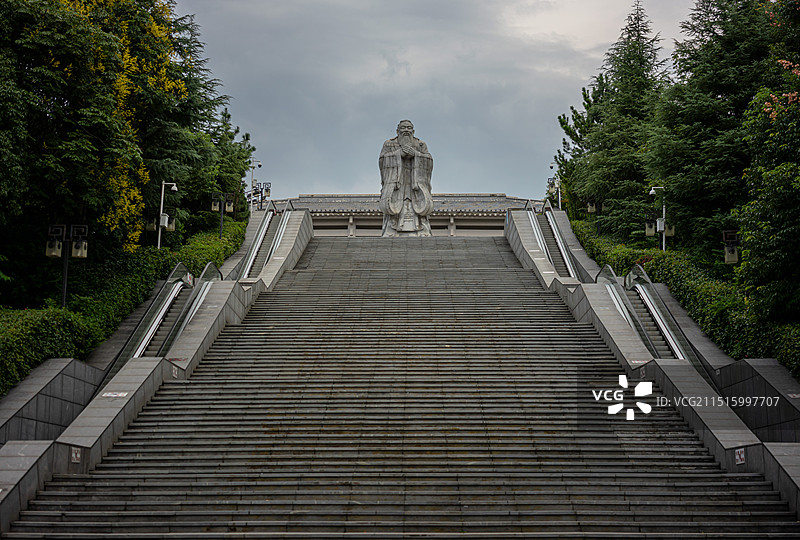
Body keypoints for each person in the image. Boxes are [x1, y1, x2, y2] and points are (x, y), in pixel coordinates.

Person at [378, 120, 434, 236]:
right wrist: (398, 154)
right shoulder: (389, 144)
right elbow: (382, 161)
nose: (406, 130)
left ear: (413, 131)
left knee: (417, 208)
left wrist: (416, 155)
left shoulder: (420, 145)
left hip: (415, 185)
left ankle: (421, 230)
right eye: (403, 128)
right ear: (397, 131)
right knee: (395, 208)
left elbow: (428, 160)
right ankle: (392, 230)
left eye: (409, 128)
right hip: (397, 186)